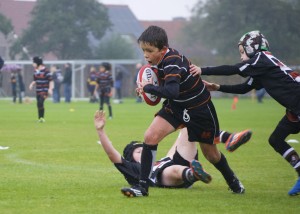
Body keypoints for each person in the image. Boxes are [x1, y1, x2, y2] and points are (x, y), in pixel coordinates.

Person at [121, 26, 245, 197]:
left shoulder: (172, 61)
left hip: (199, 109)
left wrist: (149, 87)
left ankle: (233, 181)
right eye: (143, 50)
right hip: (176, 106)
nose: (145, 55)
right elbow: (164, 89)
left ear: (163, 49)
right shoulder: (158, 62)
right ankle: (142, 188)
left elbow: (172, 91)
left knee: (211, 154)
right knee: (150, 137)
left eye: (149, 50)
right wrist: (145, 90)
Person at [191, 30, 300, 196]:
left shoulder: (260, 58)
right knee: (276, 140)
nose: (241, 57)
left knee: (276, 139)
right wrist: (218, 87)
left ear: (252, 48)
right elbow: (244, 88)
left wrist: (202, 69)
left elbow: (233, 69)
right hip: (294, 108)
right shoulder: (261, 66)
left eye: (242, 52)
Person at [94, 110, 252, 188]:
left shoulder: (157, 160)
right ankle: (193, 174)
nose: (144, 152)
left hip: (175, 160)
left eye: (143, 149)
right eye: (138, 152)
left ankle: (228, 138)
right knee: (171, 170)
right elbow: (111, 154)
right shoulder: (134, 169)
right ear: (130, 159)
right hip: (168, 177)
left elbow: (172, 151)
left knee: (189, 125)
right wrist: (100, 131)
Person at [29, 56, 53, 123]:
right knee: (38, 104)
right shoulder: (35, 71)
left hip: (44, 91)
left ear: (37, 63)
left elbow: (51, 80)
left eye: (33, 62)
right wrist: (31, 84)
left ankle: (42, 118)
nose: (32, 64)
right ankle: (40, 118)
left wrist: (50, 89)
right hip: (38, 90)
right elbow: (35, 80)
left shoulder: (46, 71)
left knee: (40, 102)